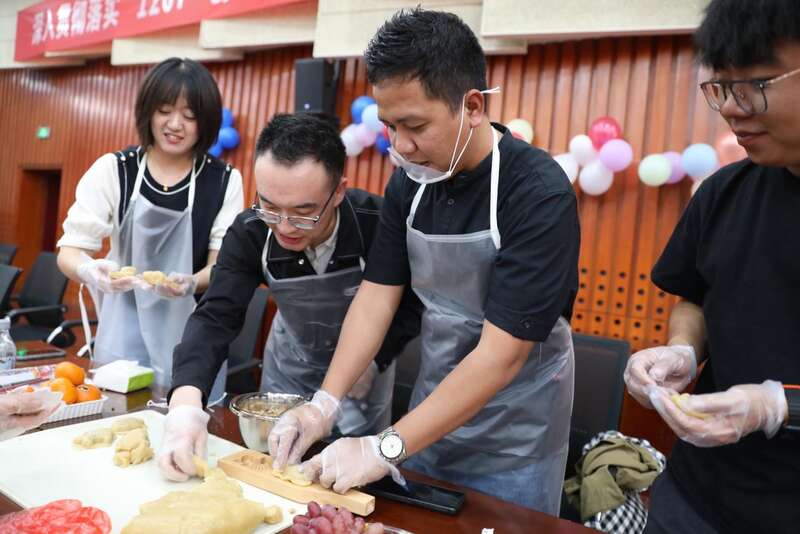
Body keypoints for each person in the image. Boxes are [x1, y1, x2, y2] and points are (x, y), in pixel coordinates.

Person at [268, 8, 580, 514]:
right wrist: (325, 403)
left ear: (473, 106)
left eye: (414, 125)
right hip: (428, 421)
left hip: (516, 441)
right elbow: (376, 297)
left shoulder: (537, 193)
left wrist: (381, 447)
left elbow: (501, 356)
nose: (401, 145)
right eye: (389, 124)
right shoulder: (410, 182)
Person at [157, 113, 421, 482]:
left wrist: (377, 359)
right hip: (288, 371)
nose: (283, 226)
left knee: (348, 481)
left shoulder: (376, 223)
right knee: (277, 475)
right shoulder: (250, 232)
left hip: (363, 378)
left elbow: (412, 303)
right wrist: (185, 405)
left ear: (339, 192)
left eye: (304, 212)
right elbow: (215, 316)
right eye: (269, 206)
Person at [622, 2, 800, 533]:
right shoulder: (725, 191)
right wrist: (683, 350)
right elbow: (694, 297)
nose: (732, 109)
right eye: (720, 89)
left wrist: (777, 406)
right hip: (697, 497)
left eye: (754, 85)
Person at [56, 57, 244, 403]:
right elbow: (69, 251)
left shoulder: (224, 181)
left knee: (185, 428)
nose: (176, 124)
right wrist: (90, 270)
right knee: (118, 421)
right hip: (122, 331)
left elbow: (222, 265)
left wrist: (191, 282)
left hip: (193, 335)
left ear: (207, 122)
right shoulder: (115, 170)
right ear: (147, 112)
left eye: (190, 116)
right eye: (165, 110)